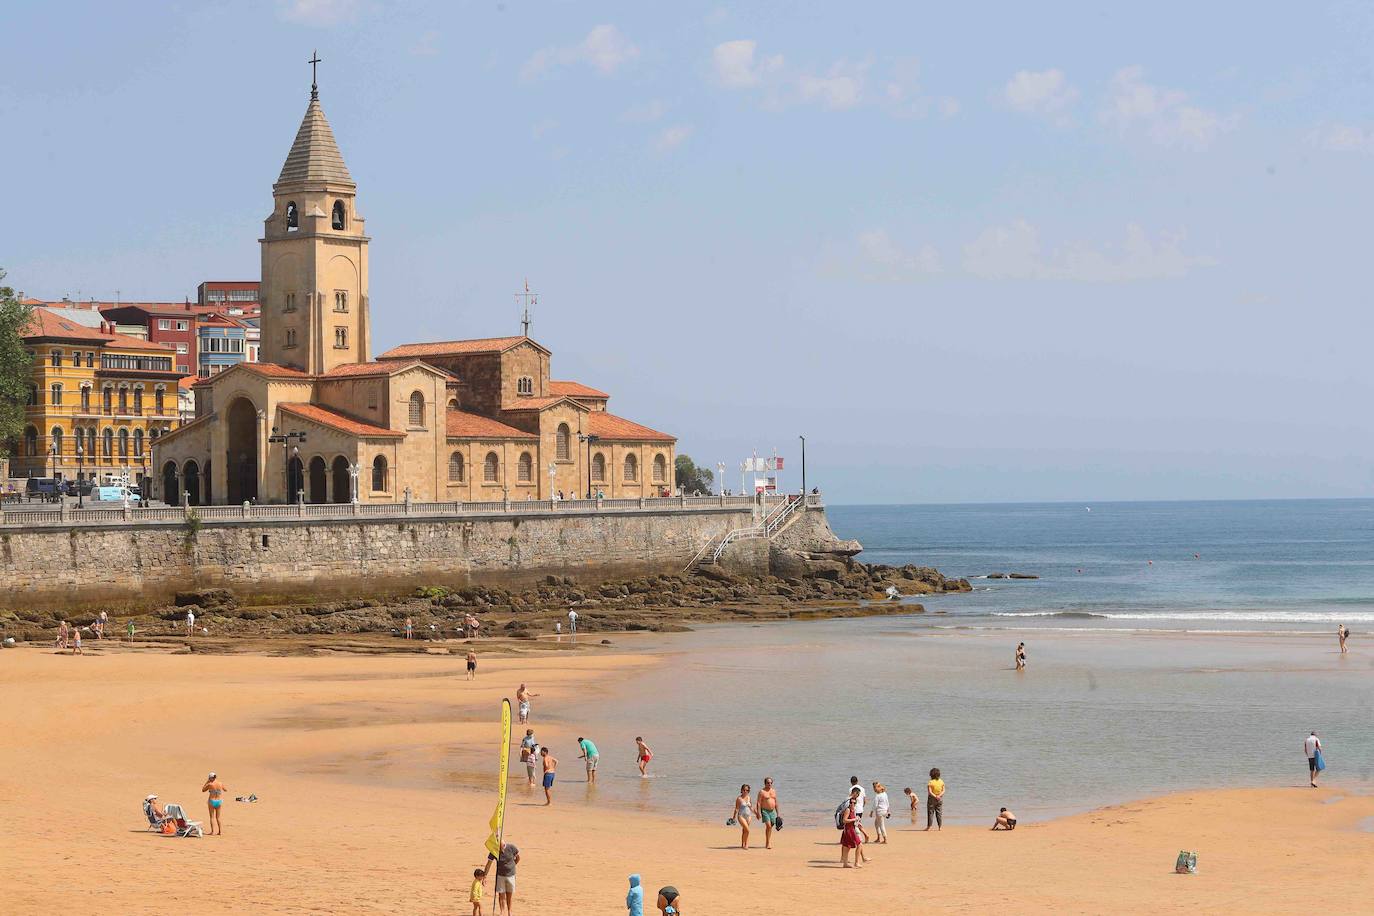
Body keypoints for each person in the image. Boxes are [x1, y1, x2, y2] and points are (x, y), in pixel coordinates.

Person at [483, 841, 519, 916]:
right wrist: (485, 876)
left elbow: (518, 858)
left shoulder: (511, 847)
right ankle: (502, 912)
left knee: (509, 894)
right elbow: (488, 864)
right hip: (500, 875)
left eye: (501, 848)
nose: (500, 851)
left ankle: (509, 912)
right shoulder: (494, 850)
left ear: (503, 845)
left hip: (511, 875)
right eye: (499, 849)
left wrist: (512, 865)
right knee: (501, 894)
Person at [840, 794, 867, 868]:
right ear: (849, 803)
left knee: (847, 847)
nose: (853, 804)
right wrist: (854, 819)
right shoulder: (848, 810)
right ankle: (856, 862)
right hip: (848, 830)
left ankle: (845, 863)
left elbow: (854, 820)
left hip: (852, 829)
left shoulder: (853, 810)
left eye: (854, 803)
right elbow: (844, 820)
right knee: (858, 844)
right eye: (851, 802)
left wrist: (858, 824)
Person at [756, 777, 780, 849]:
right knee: (768, 826)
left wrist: (778, 814)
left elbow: (776, 802)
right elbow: (758, 803)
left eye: (771, 783)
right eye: (768, 783)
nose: (769, 784)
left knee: (770, 827)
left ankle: (768, 841)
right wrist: (758, 812)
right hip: (765, 811)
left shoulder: (773, 791)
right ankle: (767, 843)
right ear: (765, 783)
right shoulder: (762, 792)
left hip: (772, 811)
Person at [731, 784, 753, 849]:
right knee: (747, 830)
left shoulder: (749, 797)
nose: (745, 791)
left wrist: (757, 813)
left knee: (745, 830)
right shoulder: (739, 798)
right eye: (744, 790)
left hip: (748, 815)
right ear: (741, 790)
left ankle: (743, 844)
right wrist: (733, 817)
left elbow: (751, 807)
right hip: (741, 816)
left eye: (747, 790)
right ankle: (746, 844)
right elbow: (736, 808)